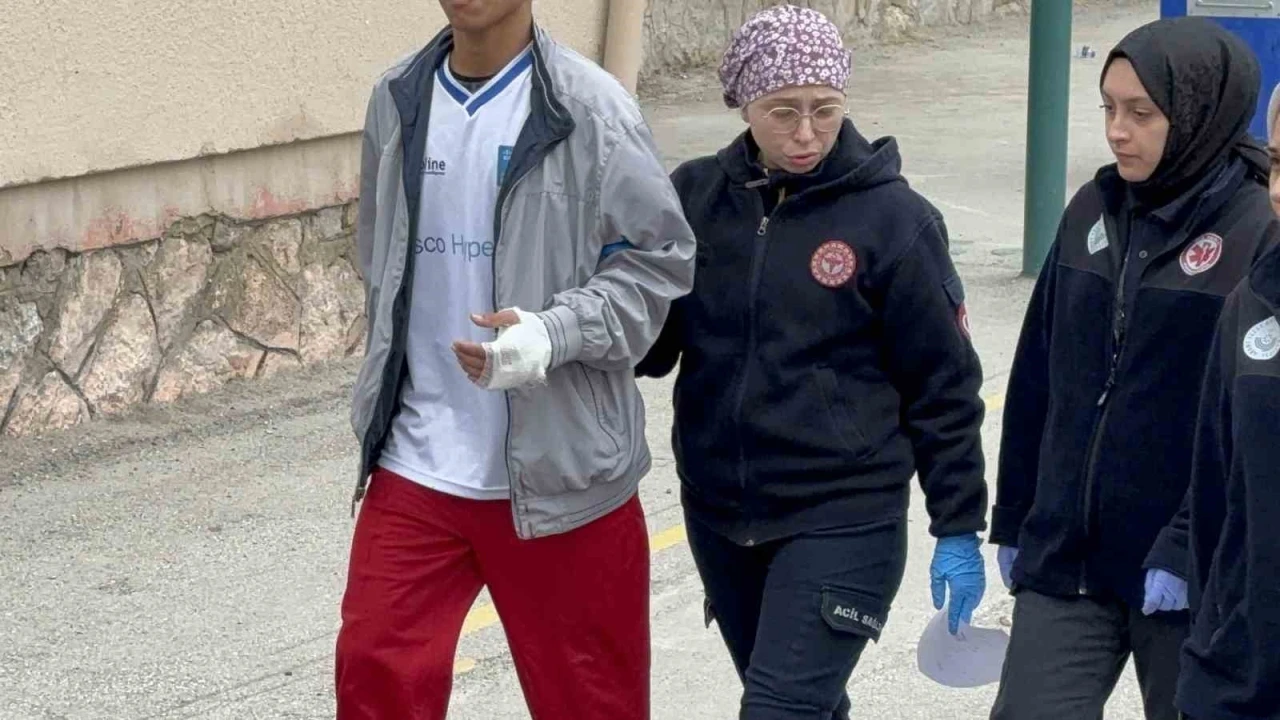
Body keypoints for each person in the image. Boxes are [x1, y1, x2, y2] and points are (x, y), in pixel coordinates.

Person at [334, 0, 697, 717]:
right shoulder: (397, 97)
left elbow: (659, 264)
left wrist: (556, 332)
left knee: (591, 705)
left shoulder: (592, 109)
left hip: (564, 473)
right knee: (374, 681)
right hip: (417, 462)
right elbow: (380, 254)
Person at [637, 6, 989, 717]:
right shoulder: (697, 197)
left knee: (778, 710)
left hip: (844, 516)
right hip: (720, 514)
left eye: (825, 109)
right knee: (806, 706)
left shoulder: (896, 221)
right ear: (744, 104)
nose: (805, 133)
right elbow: (654, 344)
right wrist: (584, 310)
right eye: (783, 112)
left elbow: (944, 385)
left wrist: (957, 522)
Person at [989, 18, 1278, 720]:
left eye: (1142, 114)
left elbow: (1240, 435)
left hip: (1184, 573)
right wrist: (1016, 513)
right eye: (1109, 108)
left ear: (1201, 113)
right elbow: (1036, 376)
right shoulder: (1092, 208)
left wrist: (1183, 546)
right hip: (1068, 556)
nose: (1118, 132)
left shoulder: (1255, 231)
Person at [1175, 83, 1280, 720]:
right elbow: (1215, 487)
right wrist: (1212, 639)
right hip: (1241, 680)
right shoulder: (1251, 304)